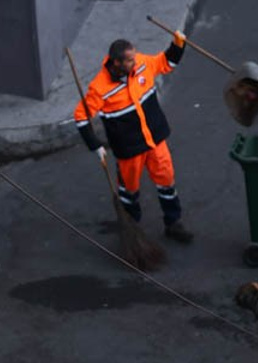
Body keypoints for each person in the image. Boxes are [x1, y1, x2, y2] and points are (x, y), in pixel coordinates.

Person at [74, 31, 194, 243]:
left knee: (166, 181)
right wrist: (94, 144)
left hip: (155, 141)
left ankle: (173, 223)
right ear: (117, 63)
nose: (135, 61)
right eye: (130, 60)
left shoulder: (142, 64)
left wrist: (178, 43)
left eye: (134, 57)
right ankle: (132, 231)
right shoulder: (99, 88)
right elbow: (81, 116)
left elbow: (166, 63)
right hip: (129, 150)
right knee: (129, 191)